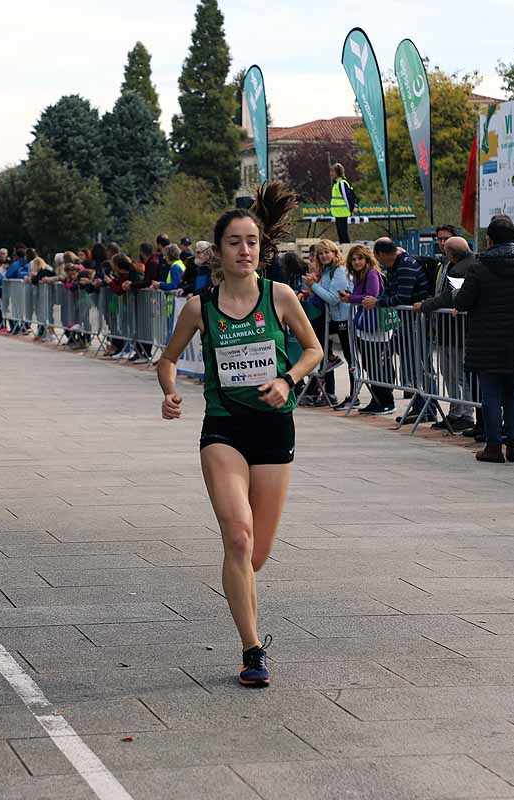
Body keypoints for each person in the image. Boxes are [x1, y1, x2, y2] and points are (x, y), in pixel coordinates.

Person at [157, 183, 323, 688]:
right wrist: (169, 392)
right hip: (224, 429)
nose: (244, 250)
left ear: (261, 248)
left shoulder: (280, 296)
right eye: (234, 242)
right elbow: (167, 360)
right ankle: (252, 650)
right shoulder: (198, 307)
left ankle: (244, 601)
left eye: (251, 241)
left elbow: (313, 350)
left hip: (275, 428)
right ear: (217, 250)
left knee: (256, 555)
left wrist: (286, 379)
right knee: (238, 535)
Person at [452, 215, 514, 463]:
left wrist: (459, 293)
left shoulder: (479, 266)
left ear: (489, 239)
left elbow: (463, 301)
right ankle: (513, 444)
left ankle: (493, 446)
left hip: (486, 340)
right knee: (513, 393)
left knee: (490, 395)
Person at [363, 239, 436, 423]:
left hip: (418, 324)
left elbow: (402, 297)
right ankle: (419, 405)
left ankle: (429, 407)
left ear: (380, 254)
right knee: (412, 369)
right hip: (407, 323)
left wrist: (377, 303)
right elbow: (389, 292)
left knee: (420, 366)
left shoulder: (405, 266)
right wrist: (380, 299)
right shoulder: (395, 266)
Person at [415, 236, 478, 430]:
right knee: (454, 374)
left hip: (454, 331)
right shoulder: (469, 264)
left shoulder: (459, 269)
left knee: (457, 374)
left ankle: (464, 414)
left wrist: (425, 305)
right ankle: (457, 411)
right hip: (454, 330)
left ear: (450, 253)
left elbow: (449, 298)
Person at [343, 244, 396, 414]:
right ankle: (377, 400)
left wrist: (350, 298)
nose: (357, 262)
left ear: (367, 259)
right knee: (368, 365)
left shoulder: (372, 273)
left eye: (360, 258)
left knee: (376, 367)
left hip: (377, 328)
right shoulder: (360, 276)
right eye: (354, 259)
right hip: (366, 328)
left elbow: (371, 296)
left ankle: (387, 401)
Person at [306, 240, 353, 408]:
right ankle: (328, 357)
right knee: (313, 331)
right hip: (333, 319)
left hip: (344, 319)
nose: (324, 256)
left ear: (334, 253)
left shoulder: (339, 271)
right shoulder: (326, 271)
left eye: (327, 252)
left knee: (351, 358)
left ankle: (354, 395)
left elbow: (333, 298)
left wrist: (314, 287)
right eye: (321, 253)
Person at [328, 163, 355, 244]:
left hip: (343, 212)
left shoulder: (342, 183)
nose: (331, 173)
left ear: (338, 172)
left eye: (333, 171)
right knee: (340, 234)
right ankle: (343, 250)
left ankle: (346, 250)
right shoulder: (336, 184)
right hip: (338, 213)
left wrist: (351, 209)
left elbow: (347, 198)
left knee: (343, 234)